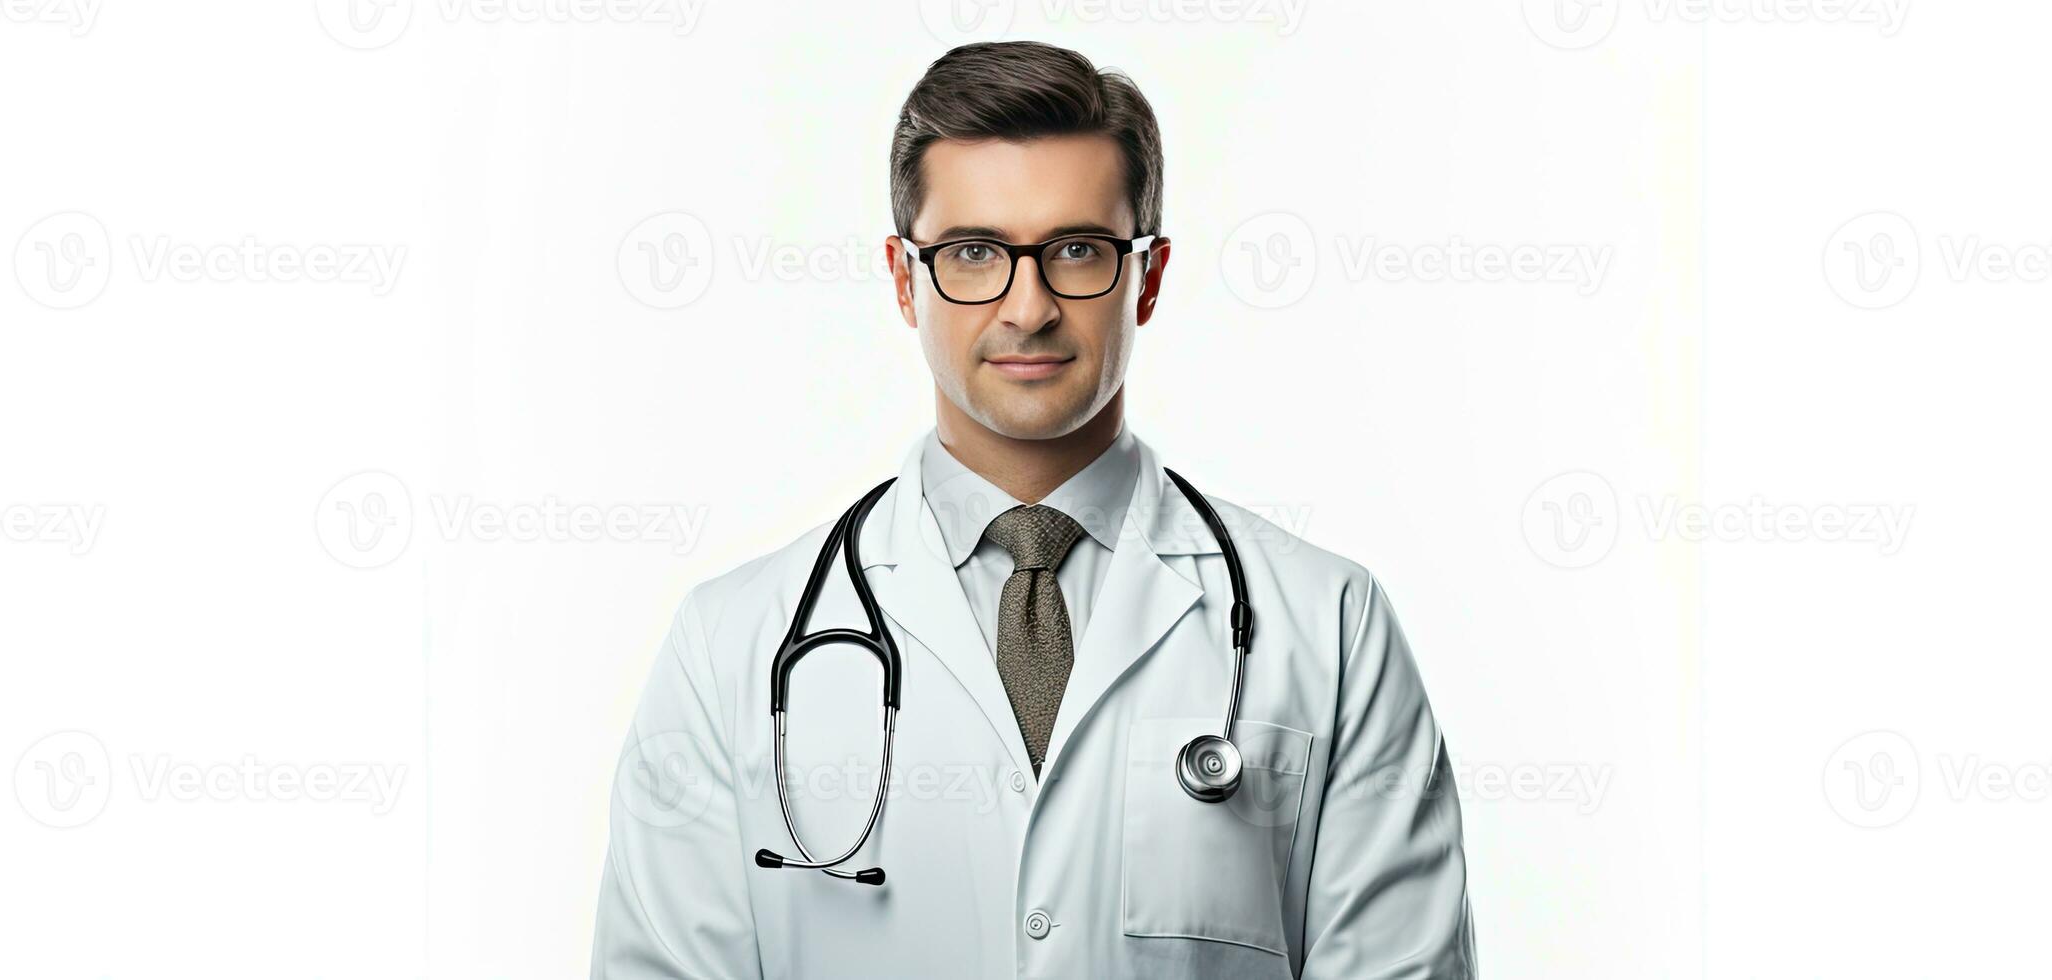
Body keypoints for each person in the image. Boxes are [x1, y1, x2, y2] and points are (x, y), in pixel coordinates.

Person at [592, 40, 1475, 979]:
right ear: (904, 278)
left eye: (1077, 251)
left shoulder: (1327, 625)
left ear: (1150, 274)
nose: (1028, 307)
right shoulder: (730, 643)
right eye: (973, 253)